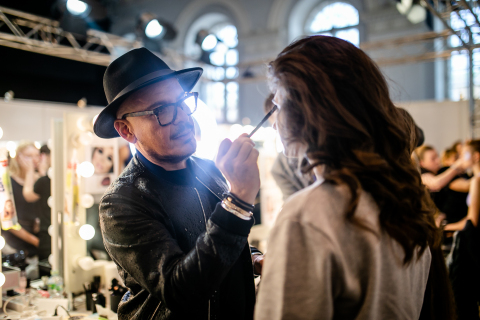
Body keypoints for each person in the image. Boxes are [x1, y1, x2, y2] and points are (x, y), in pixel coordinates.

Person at [255, 36, 454, 320]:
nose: (274, 120)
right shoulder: (406, 202)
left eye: (278, 103)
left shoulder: (309, 215)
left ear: (306, 108)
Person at [94, 48, 263, 320]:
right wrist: (239, 200)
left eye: (182, 102)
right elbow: (180, 290)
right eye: (161, 110)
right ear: (126, 130)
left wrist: (253, 259)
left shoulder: (207, 171)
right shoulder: (121, 203)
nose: (183, 117)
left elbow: (213, 245)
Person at [264, 93, 313, 200]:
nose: (275, 126)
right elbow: (294, 208)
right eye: (274, 120)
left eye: (281, 116)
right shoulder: (280, 168)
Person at [3, 141, 40, 257]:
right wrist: (34, 240)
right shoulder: (7, 182)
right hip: (15, 242)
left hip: (38, 237)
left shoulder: (40, 180)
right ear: (18, 158)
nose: (34, 160)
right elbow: (8, 221)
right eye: (29, 156)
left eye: (37, 155)